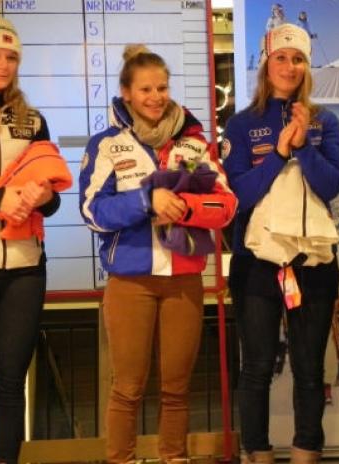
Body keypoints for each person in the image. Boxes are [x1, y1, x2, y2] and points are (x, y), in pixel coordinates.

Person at [79, 44, 237, 462]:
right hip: (130, 281)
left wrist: (186, 206)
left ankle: (174, 457)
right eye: (145, 89)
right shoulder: (107, 145)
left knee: (177, 388)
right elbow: (92, 211)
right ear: (126, 93)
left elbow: (226, 204)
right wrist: (147, 201)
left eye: (162, 88)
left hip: (184, 279)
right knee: (128, 387)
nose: (155, 97)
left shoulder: (193, 145)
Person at [222, 23, 339, 464]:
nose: (290, 67)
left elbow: (331, 186)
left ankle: (306, 452)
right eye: (281, 58)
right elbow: (240, 195)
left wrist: (305, 144)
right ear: (266, 64)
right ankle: (257, 452)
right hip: (257, 264)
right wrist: (278, 153)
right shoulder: (241, 123)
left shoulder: (325, 121)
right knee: (256, 367)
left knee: (310, 369)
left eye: (298, 59)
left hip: (313, 263)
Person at [0, 12, 63, 464]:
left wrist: (43, 197)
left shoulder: (32, 120)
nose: (3, 65)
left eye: (11, 57)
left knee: (10, 382)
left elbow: (53, 203)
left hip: (25, 267)